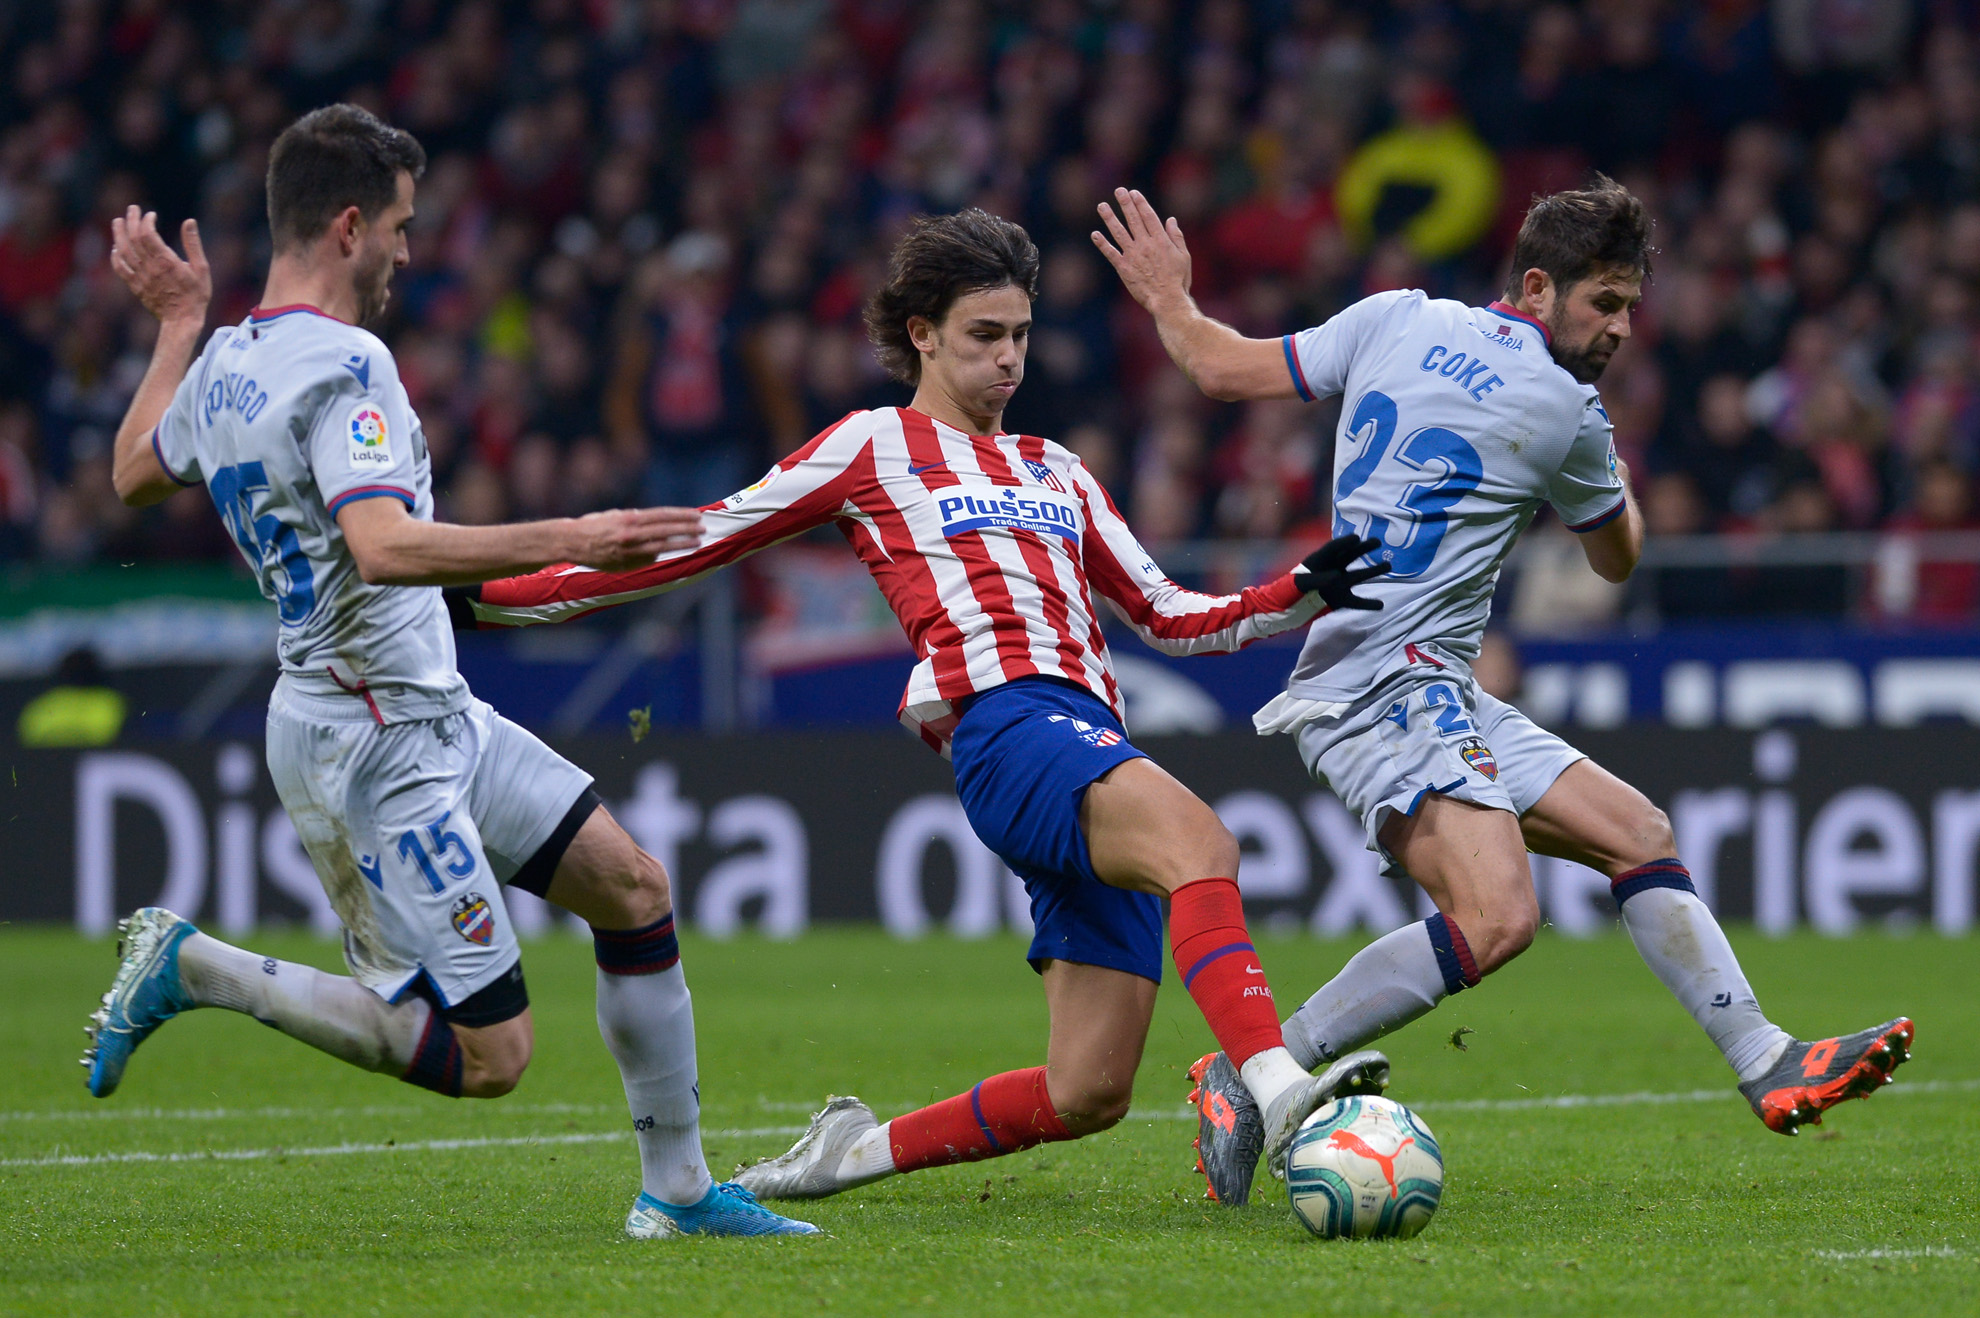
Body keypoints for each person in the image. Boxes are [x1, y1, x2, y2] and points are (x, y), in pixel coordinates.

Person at [450, 208, 1393, 1201]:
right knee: (1201, 843)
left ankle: (848, 1154)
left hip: (1087, 738)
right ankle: (1279, 1089)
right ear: (922, 334)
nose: (1009, 359)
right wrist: (487, 596)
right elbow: (697, 543)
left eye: (1021, 335)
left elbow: (1167, 612)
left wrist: (1297, 590)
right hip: (1006, 726)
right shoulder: (872, 446)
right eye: (985, 336)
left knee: (1088, 1090)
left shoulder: (1056, 468)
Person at [1093, 176, 1913, 1207]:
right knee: (1496, 914)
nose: (1619, 329)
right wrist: (1605, 469)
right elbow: (1617, 559)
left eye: (1628, 308)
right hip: (1385, 679)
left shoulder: (1393, 315)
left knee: (1636, 829)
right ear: (1537, 287)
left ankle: (1767, 1059)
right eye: (1603, 304)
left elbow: (1216, 365)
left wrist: (1170, 296)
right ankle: (1257, 1074)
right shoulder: (1568, 408)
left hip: (1413, 673)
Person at [84, 104, 816, 1240]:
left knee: (634, 888)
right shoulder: (345, 363)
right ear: (346, 226)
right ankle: (201, 967)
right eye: (401, 227)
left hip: (419, 710)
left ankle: (676, 1194)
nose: (408, 252)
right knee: (494, 1057)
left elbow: (135, 470)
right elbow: (383, 546)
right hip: (375, 745)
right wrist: (581, 532)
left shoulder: (229, 359)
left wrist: (179, 321)